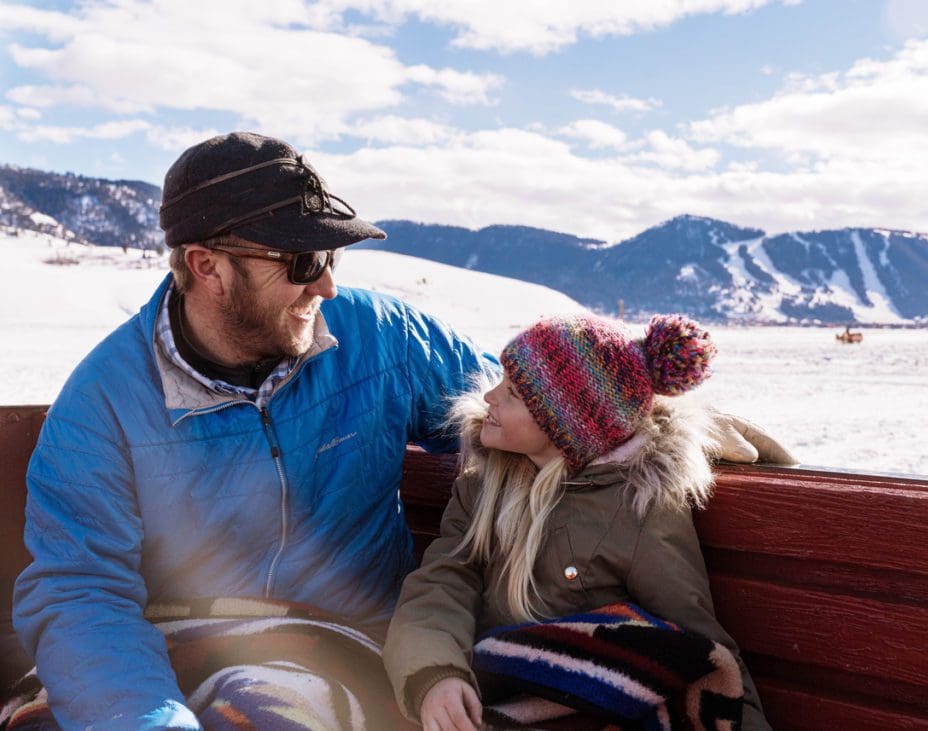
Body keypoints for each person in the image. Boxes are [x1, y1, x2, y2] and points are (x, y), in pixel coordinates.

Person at [9, 131, 789, 730]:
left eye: (331, 254)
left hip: (361, 649)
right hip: (187, 652)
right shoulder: (104, 403)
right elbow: (81, 593)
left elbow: (530, 409)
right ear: (206, 265)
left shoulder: (380, 340)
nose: (328, 281)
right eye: (302, 257)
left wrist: (642, 425)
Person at [383, 314, 772, 730]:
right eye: (501, 379)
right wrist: (434, 674)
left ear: (563, 425)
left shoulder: (637, 511)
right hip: (488, 696)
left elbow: (699, 648)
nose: (490, 397)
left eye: (512, 393)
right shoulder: (483, 484)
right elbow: (443, 582)